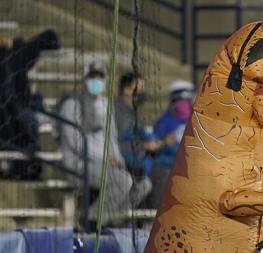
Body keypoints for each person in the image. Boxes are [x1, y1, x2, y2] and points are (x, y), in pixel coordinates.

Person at [58, 60, 151, 225]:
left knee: (144, 184)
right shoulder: (71, 104)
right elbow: (75, 142)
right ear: (84, 79)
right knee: (124, 181)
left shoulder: (106, 105)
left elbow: (112, 140)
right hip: (79, 164)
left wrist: (119, 161)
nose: (97, 81)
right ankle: (91, 220)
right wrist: (104, 160)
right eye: (92, 76)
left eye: (100, 77)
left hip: (106, 164)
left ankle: (111, 220)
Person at [0, 29, 60, 179]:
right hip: (9, 113)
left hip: (16, 110)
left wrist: (14, 43)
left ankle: (26, 166)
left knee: (27, 120)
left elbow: (50, 37)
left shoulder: (13, 55)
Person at [150, 80, 195, 208]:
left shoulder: (196, 119)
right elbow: (155, 143)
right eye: (180, 102)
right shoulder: (165, 121)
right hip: (168, 163)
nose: (184, 105)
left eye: (186, 102)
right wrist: (165, 142)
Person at [115, 71, 160, 180]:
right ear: (126, 90)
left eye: (142, 90)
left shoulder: (133, 113)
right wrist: (144, 146)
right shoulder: (116, 113)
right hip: (126, 163)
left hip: (143, 159)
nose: (141, 93)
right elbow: (116, 146)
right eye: (138, 89)